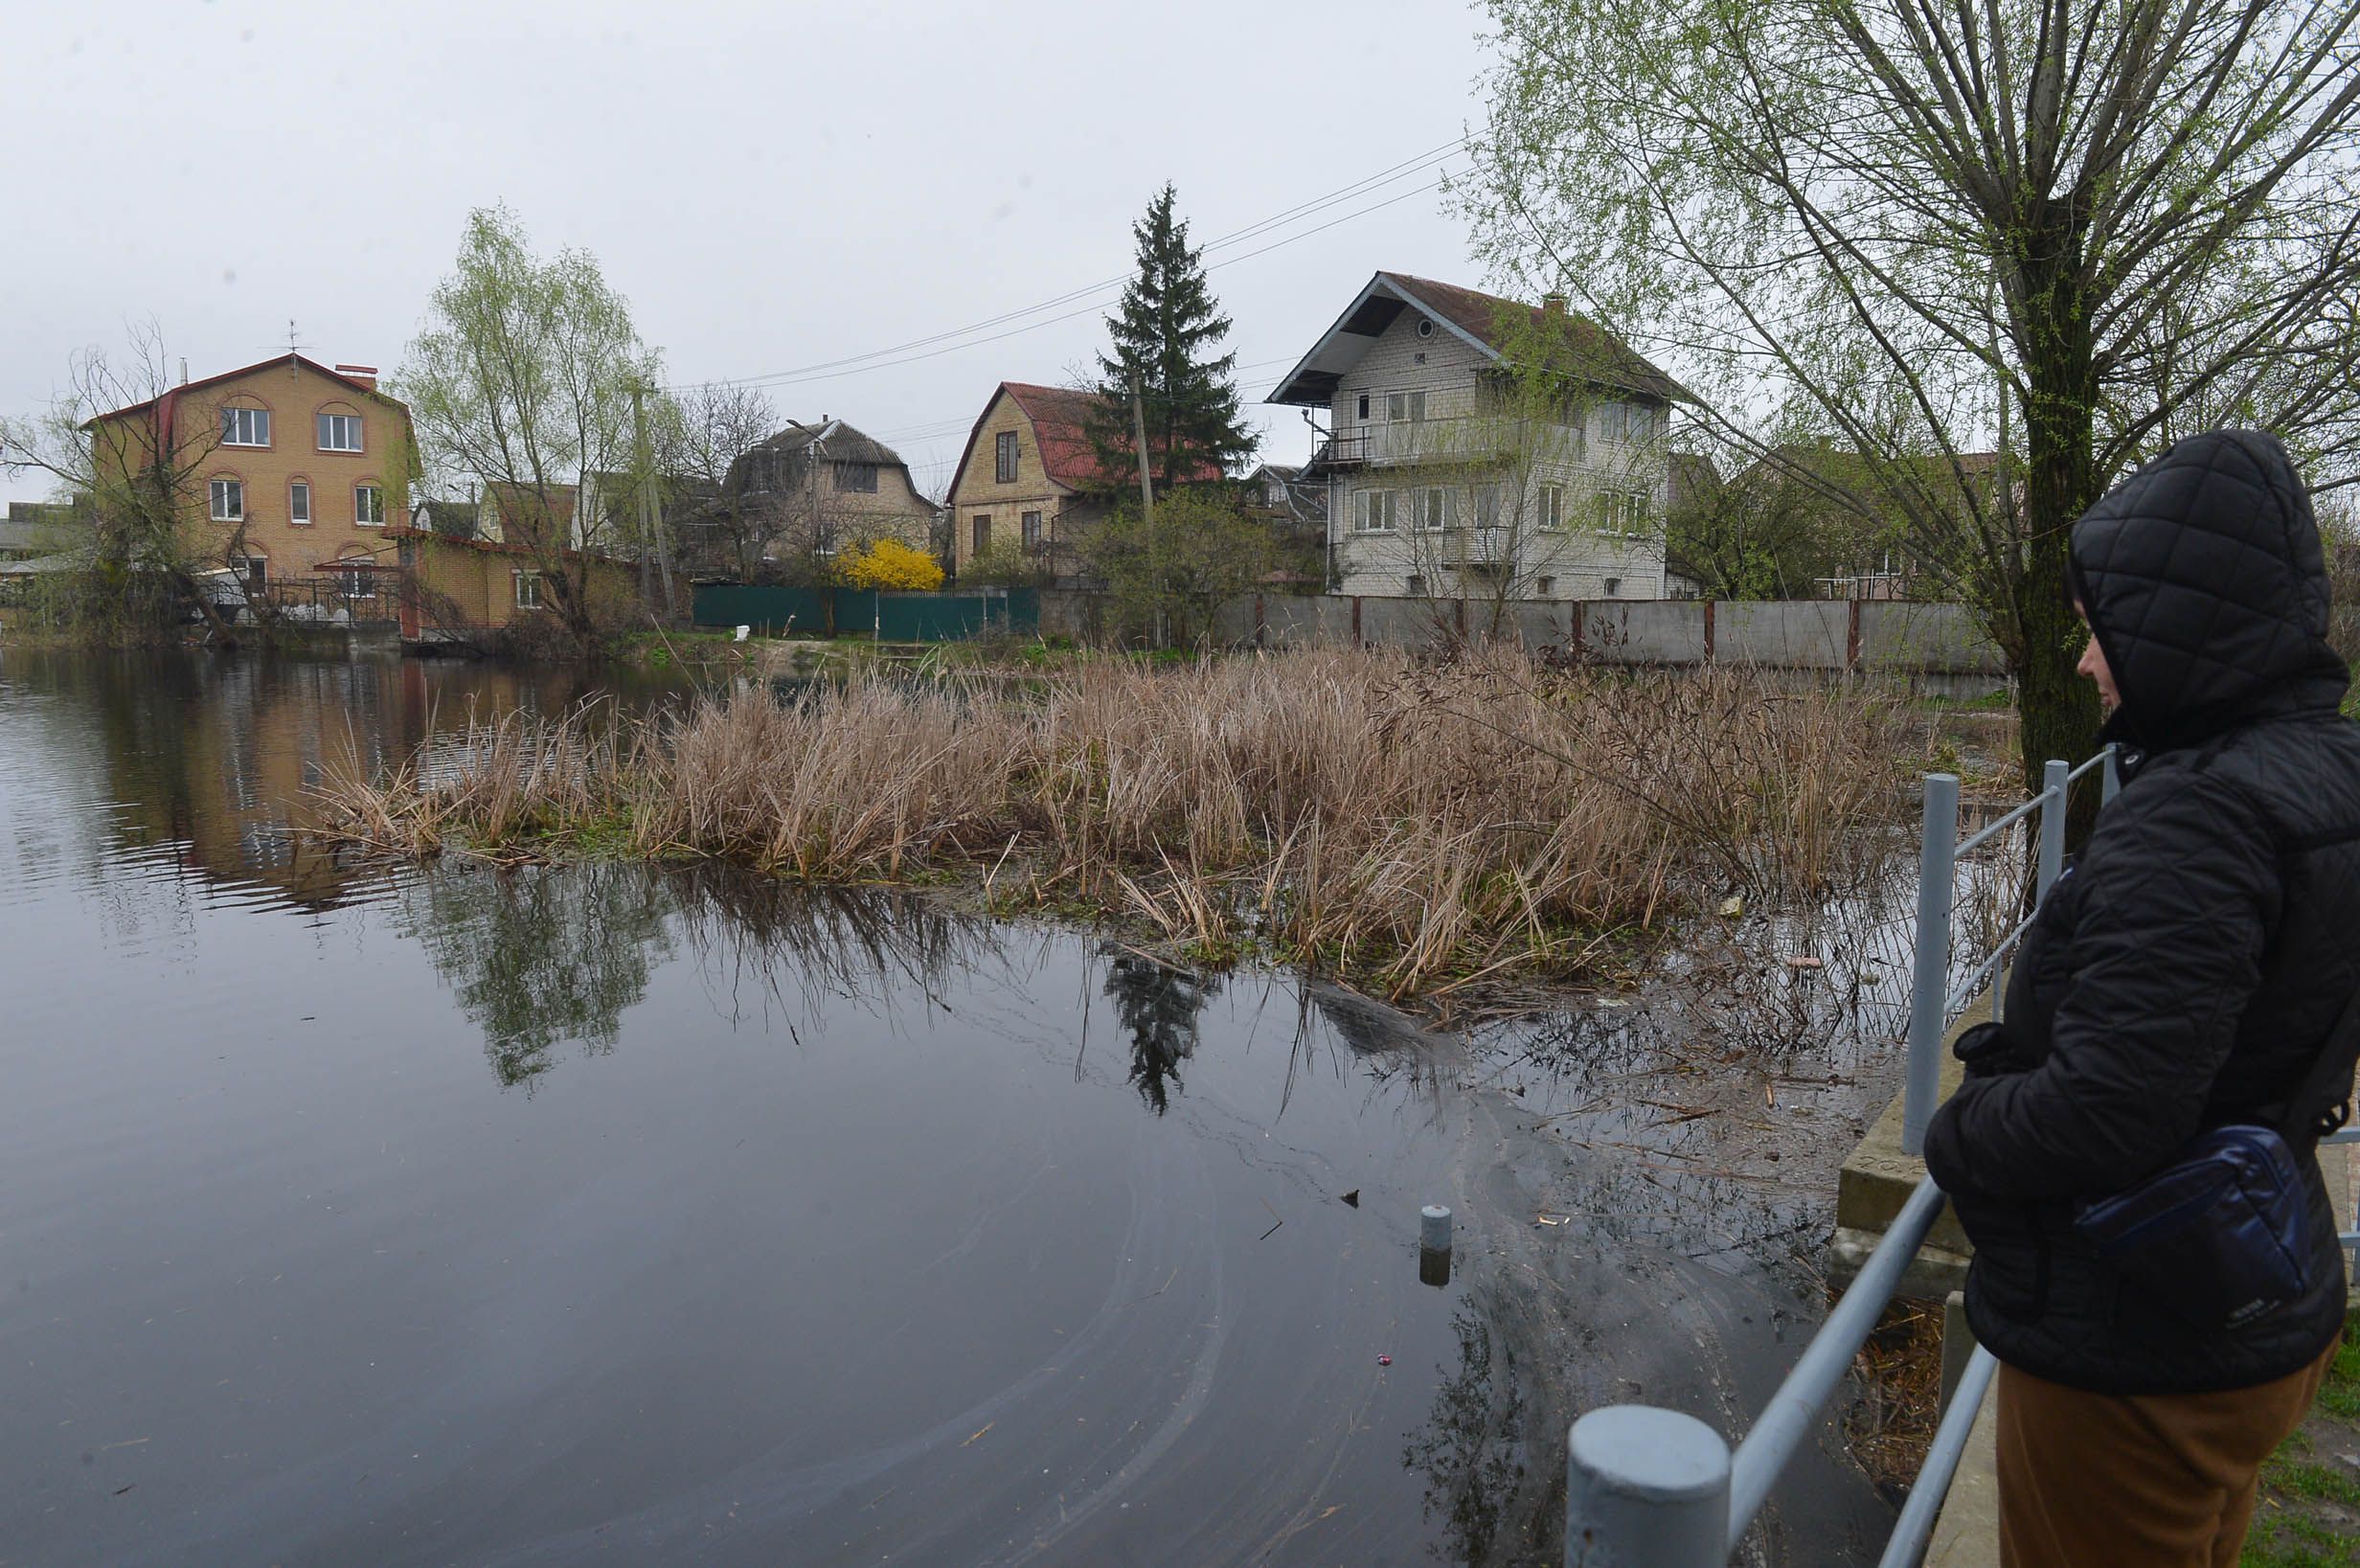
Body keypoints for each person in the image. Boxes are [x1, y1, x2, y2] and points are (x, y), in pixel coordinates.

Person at [1923, 427, 2360, 1567]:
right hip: (2260, 1286)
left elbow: (2107, 1108)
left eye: (2097, 628)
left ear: (2182, 624)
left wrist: (1959, 1129)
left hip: (2139, 1346)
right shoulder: (2325, 767)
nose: (2082, 662)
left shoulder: (2200, 814)